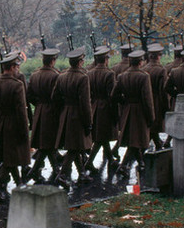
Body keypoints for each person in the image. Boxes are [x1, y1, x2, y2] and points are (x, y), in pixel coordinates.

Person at [0, 52, 31, 198]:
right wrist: (25, 132)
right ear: (11, 67)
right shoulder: (17, 85)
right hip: (15, 126)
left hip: (2, 124)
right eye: (17, 66)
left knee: (9, 157)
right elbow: (21, 112)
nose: (18, 69)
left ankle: (19, 184)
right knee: (10, 159)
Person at [111, 49, 155, 178]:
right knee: (136, 140)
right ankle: (124, 165)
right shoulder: (144, 76)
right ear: (140, 62)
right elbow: (147, 99)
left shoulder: (122, 76)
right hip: (140, 112)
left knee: (133, 139)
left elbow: (114, 96)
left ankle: (139, 162)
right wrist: (151, 117)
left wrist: (125, 101)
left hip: (127, 111)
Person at [52, 48, 92, 186]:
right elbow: (85, 103)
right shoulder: (83, 77)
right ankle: (62, 174)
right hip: (78, 115)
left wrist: (63, 109)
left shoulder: (61, 76)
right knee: (74, 148)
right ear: (80, 62)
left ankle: (82, 174)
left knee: (77, 146)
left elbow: (54, 97)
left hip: (66, 113)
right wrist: (88, 123)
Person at [26, 47, 62, 182]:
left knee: (46, 144)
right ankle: (54, 173)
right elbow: (58, 97)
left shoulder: (34, 75)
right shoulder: (56, 76)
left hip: (40, 111)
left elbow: (29, 95)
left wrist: (39, 104)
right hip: (51, 112)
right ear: (52, 61)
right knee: (49, 143)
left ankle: (39, 171)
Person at [86, 45, 118, 176]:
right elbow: (112, 95)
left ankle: (110, 159)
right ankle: (89, 162)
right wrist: (115, 112)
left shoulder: (90, 73)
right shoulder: (110, 74)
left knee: (101, 135)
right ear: (105, 59)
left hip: (94, 106)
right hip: (105, 107)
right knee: (101, 137)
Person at [145, 44, 169, 151]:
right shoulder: (161, 70)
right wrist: (166, 107)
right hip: (157, 102)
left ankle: (158, 145)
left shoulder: (143, 69)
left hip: (146, 101)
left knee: (151, 128)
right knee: (154, 127)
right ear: (158, 56)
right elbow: (163, 91)